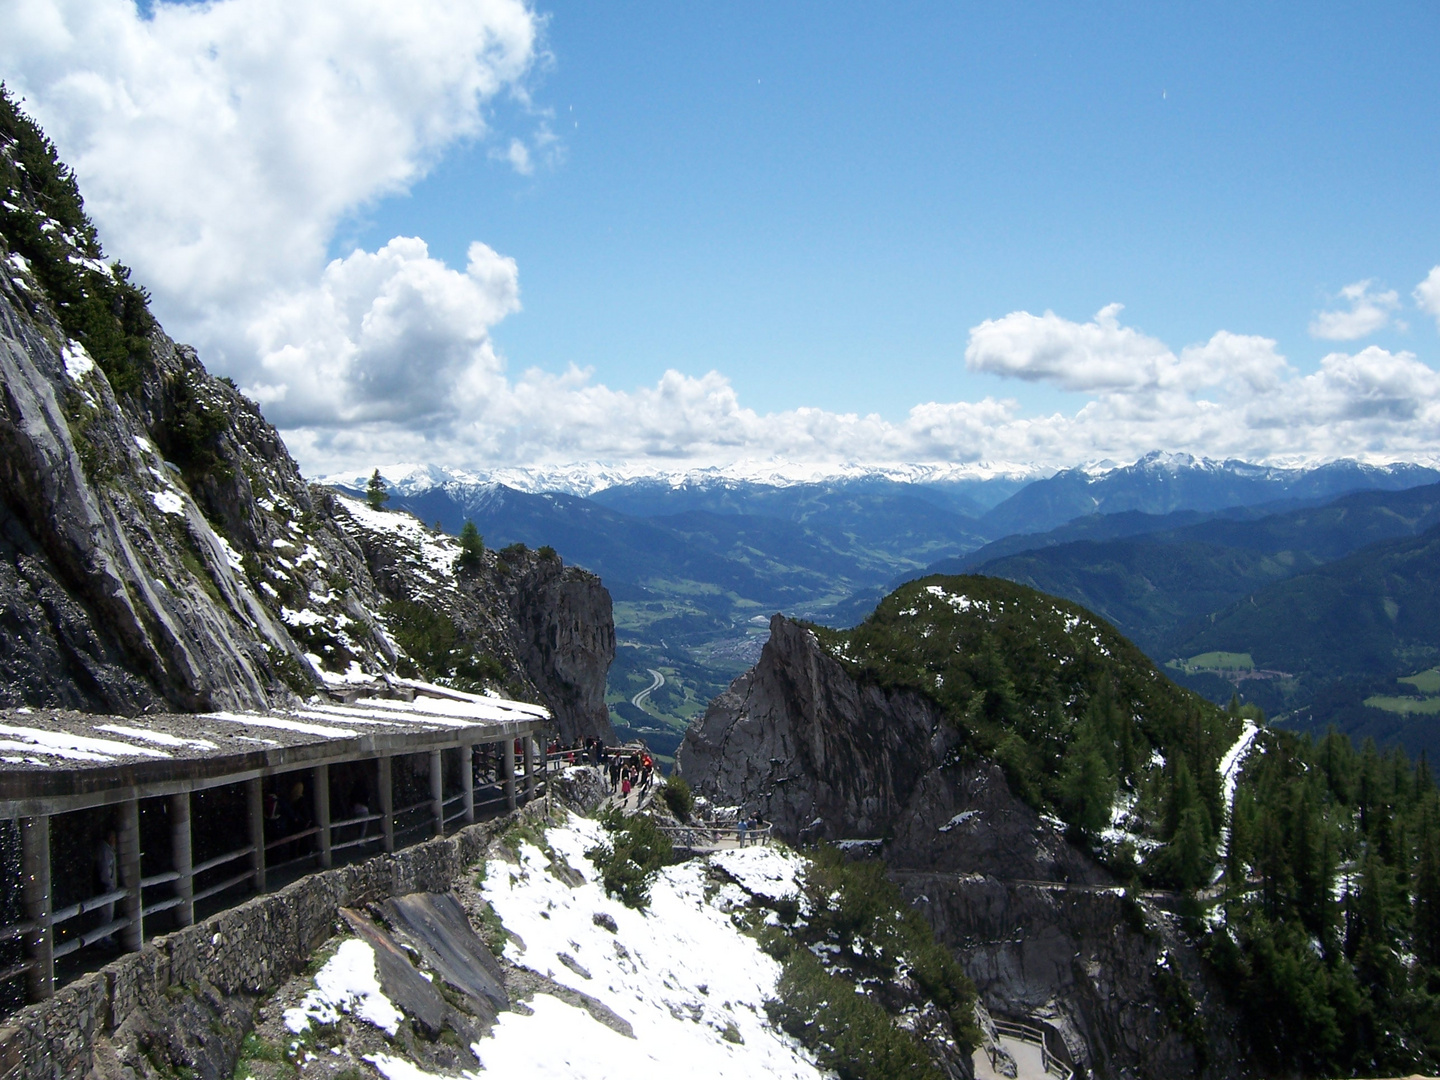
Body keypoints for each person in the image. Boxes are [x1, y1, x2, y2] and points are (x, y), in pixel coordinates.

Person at [95, 827, 118, 944]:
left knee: (108, 915)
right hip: (106, 887)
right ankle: (100, 940)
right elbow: (104, 869)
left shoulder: (108, 849)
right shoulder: (104, 850)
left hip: (109, 886)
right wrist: (108, 883)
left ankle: (106, 937)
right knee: (105, 915)